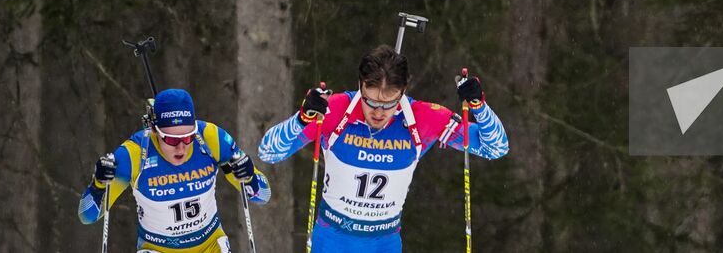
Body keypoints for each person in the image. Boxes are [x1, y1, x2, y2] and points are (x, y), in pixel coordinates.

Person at [258, 45, 508, 252]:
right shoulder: (335, 110)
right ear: (360, 85)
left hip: (383, 243)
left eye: (389, 103)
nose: (378, 112)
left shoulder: (423, 118)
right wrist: (302, 119)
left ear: (403, 91)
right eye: (370, 101)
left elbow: (496, 147)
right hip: (332, 240)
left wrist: (478, 106)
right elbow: (268, 152)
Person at [79, 88, 271, 252]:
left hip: (209, 246)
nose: (181, 147)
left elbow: (262, 195)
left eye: (188, 137)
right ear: (154, 130)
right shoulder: (135, 154)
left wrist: (250, 176)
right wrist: (98, 185)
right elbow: (87, 216)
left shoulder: (211, 139)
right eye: (171, 140)